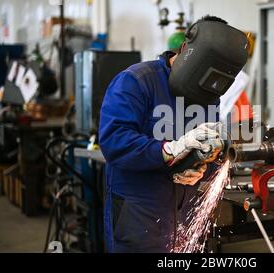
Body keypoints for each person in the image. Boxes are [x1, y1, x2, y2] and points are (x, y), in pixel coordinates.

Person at [99, 15, 248, 253]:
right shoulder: (136, 81)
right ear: (186, 49)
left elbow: (209, 145)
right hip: (139, 212)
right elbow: (115, 141)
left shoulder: (208, 94)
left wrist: (201, 168)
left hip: (185, 211)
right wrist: (169, 151)